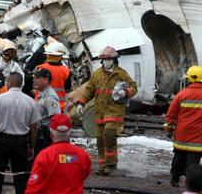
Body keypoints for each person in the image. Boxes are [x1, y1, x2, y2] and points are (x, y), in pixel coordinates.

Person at [75, 46, 137, 175]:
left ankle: (111, 164)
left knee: (109, 134)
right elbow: (88, 91)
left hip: (114, 110)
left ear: (114, 59)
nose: (106, 61)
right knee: (100, 139)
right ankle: (103, 166)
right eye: (104, 59)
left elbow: (133, 87)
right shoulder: (97, 74)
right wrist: (81, 103)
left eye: (109, 58)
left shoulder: (121, 74)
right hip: (100, 111)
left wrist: (124, 92)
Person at [164, 66, 202, 187]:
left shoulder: (182, 94)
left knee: (179, 157)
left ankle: (174, 179)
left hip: (182, 134)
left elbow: (171, 114)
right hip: (199, 136)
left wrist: (168, 128)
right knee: (193, 160)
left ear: (190, 79)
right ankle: (190, 182)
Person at [0, 72, 41, 194]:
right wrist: (32, 146)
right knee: (21, 177)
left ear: (11, 83)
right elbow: (33, 127)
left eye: (7, 81)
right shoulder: (30, 101)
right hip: (21, 142)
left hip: (2, 142)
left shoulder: (0, 99)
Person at [25, 114, 91, 194]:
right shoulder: (82, 155)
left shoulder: (44, 156)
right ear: (70, 134)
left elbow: (33, 188)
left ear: (51, 134)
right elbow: (84, 174)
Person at [32, 69, 61, 155]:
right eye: (34, 78)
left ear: (46, 80)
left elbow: (56, 119)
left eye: (37, 78)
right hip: (40, 135)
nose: (34, 80)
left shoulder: (50, 97)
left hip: (45, 137)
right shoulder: (41, 94)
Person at [37, 42, 71, 112]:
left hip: (41, 104)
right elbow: (68, 89)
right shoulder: (66, 71)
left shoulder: (41, 68)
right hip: (58, 106)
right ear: (60, 57)